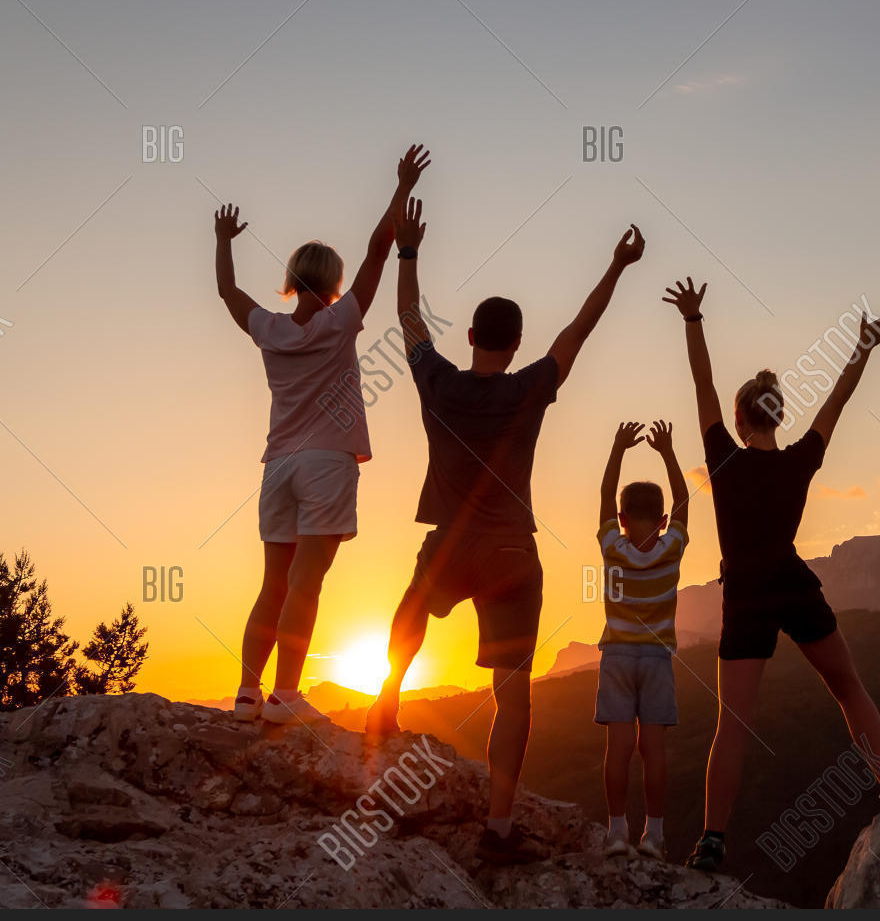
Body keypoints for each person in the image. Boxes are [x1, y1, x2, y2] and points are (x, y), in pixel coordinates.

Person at [366, 205, 646, 864]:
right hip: (512, 553)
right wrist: (617, 265)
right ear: (517, 344)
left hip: (451, 542)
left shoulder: (437, 383)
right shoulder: (529, 387)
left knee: (411, 614)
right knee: (511, 693)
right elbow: (580, 329)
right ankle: (497, 829)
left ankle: (385, 705)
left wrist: (407, 254)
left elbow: (407, 321)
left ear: (468, 334)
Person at [662, 276, 880, 872]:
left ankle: (713, 839)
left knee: (733, 725)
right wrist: (862, 349)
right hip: (794, 585)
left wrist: (693, 320)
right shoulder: (801, 459)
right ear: (776, 416)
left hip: (746, 596)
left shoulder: (724, 457)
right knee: (848, 686)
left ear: (744, 419)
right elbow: (837, 403)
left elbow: (703, 384)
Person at [216, 145, 430, 726]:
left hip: (277, 465)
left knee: (272, 586)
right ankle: (286, 695)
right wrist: (402, 184)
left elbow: (229, 296)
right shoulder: (342, 320)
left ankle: (245, 695)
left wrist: (224, 242)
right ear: (334, 283)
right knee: (306, 584)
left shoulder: (269, 328)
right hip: (327, 462)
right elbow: (378, 248)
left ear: (290, 280)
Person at [594, 419, 690, 860]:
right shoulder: (672, 550)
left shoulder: (613, 546)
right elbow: (685, 501)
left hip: (616, 659)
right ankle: (654, 835)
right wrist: (668, 452)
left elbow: (603, 497)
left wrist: (617, 449)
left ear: (622, 519)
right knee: (654, 752)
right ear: (664, 520)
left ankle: (616, 832)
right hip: (656, 661)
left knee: (618, 750)